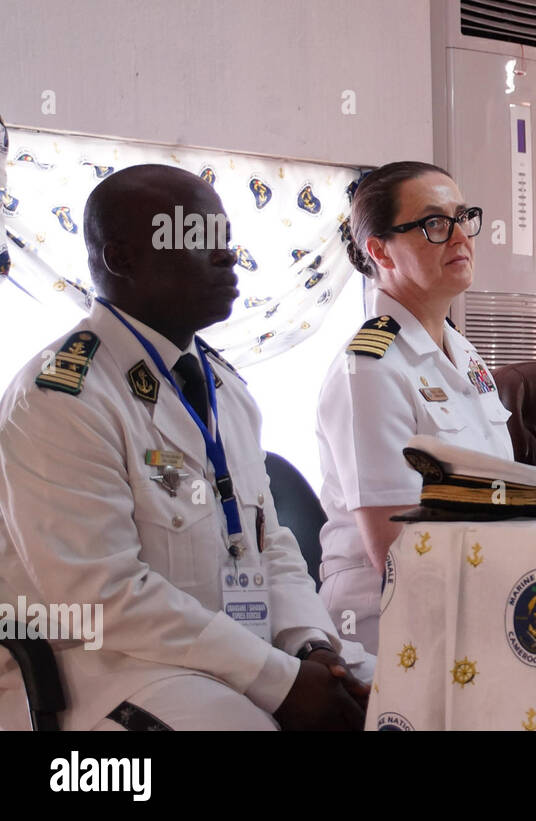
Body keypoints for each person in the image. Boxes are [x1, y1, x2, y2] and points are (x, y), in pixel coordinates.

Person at [0, 165, 365, 730]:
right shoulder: (59, 398)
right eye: (194, 236)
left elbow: (272, 547)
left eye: (222, 238)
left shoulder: (225, 389)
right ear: (121, 258)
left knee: (407, 701)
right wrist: (279, 682)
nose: (225, 256)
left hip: (237, 655)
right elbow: (105, 597)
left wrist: (311, 649)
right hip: (102, 672)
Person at [316, 162, 513, 654]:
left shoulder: (461, 352)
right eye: (433, 224)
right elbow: (397, 552)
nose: (459, 237)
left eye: (463, 217)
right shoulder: (370, 368)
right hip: (392, 627)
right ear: (379, 250)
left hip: (480, 595)